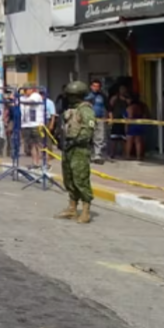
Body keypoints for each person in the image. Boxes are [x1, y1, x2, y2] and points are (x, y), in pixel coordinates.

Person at [57, 81, 97, 224]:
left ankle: (85, 210)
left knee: (80, 178)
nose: (69, 97)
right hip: (68, 148)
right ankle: (72, 207)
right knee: (69, 178)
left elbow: (88, 130)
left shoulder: (85, 110)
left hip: (79, 149)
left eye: (71, 95)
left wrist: (74, 142)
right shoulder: (71, 109)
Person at [86, 80, 109, 164]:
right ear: (91, 86)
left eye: (97, 86)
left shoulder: (102, 96)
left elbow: (108, 106)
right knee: (88, 136)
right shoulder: (87, 96)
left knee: (99, 137)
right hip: (89, 119)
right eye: (94, 86)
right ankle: (88, 155)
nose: (96, 88)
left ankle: (97, 155)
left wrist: (110, 116)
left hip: (100, 119)